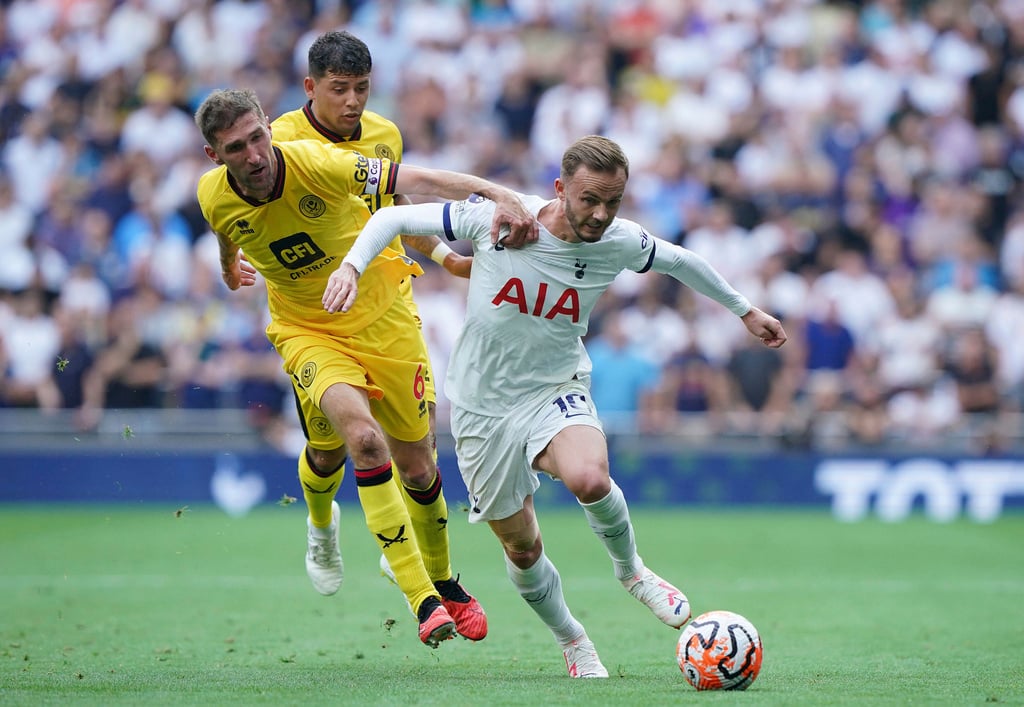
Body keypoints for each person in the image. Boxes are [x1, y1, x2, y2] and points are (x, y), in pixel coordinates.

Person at [329, 135, 787, 676]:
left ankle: (633, 571)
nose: (600, 214)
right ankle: (572, 638)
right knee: (522, 549)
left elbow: (681, 261)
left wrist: (745, 311)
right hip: (482, 407)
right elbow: (392, 221)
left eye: (612, 202)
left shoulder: (619, 241)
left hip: (555, 386)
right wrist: (353, 266)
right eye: (589, 199)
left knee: (589, 478)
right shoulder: (499, 219)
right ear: (559, 188)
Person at [193, 87, 535, 648]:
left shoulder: (320, 164)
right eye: (237, 147)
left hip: (384, 321)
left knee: (419, 467)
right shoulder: (213, 194)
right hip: (307, 331)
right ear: (216, 156)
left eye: (259, 138)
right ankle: (407, 587)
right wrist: (231, 271)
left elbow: (415, 183)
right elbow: (225, 229)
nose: (254, 155)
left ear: (268, 130)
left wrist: (496, 193)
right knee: (358, 442)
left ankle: (445, 579)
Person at [269, 30, 481, 637]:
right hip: (315, 322)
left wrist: (444, 257)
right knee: (342, 447)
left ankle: (433, 575)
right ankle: (322, 529)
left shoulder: (385, 136)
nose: (353, 101)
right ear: (311, 88)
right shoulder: (280, 143)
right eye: (339, 89)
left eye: (362, 88)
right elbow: (242, 205)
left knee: (417, 463)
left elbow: (396, 209)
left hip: (388, 317)